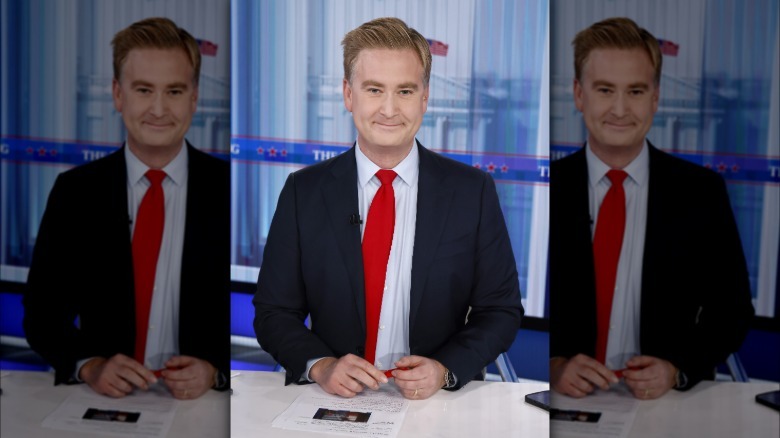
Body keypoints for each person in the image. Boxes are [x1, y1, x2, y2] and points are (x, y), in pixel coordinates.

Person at [254, 17, 523, 400]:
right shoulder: (304, 191)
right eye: (375, 89)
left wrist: (444, 369)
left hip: (434, 404)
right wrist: (321, 365)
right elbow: (273, 312)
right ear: (349, 95)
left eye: (406, 91)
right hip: (331, 400)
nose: (390, 109)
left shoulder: (472, 191)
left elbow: (501, 311)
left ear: (425, 97)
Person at [23, 17, 229, 400]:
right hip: (100, 401)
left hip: (200, 407)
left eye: (174, 91)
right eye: (143, 89)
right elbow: (41, 316)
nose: (158, 108)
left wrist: (216, 369)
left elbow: (271, 316)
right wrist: (89, 364)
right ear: (118, 95)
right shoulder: (75, 192)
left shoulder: (229, 190)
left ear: (194, 98)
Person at [549, 17, 754, 400]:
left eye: (637, 91)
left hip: (663, 406)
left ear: (656, 97)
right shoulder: (549, 188)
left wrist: (677, 369)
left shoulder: (702, 192)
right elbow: (508, 305)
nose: (621, 109)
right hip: (562, 406)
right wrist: (553, 365)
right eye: (605, 89)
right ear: (579, 94)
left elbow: (733, 312)